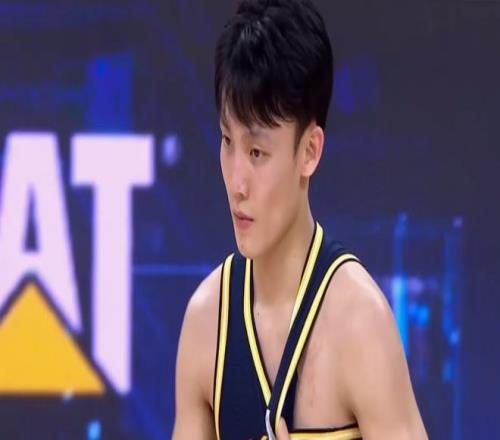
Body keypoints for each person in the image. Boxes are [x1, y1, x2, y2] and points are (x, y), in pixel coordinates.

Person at [173, 0, 428, 438]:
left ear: (309, 151)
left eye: (257, 152)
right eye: (227, 141)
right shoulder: (206, 322)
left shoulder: (360, 323)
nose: (236, 182)